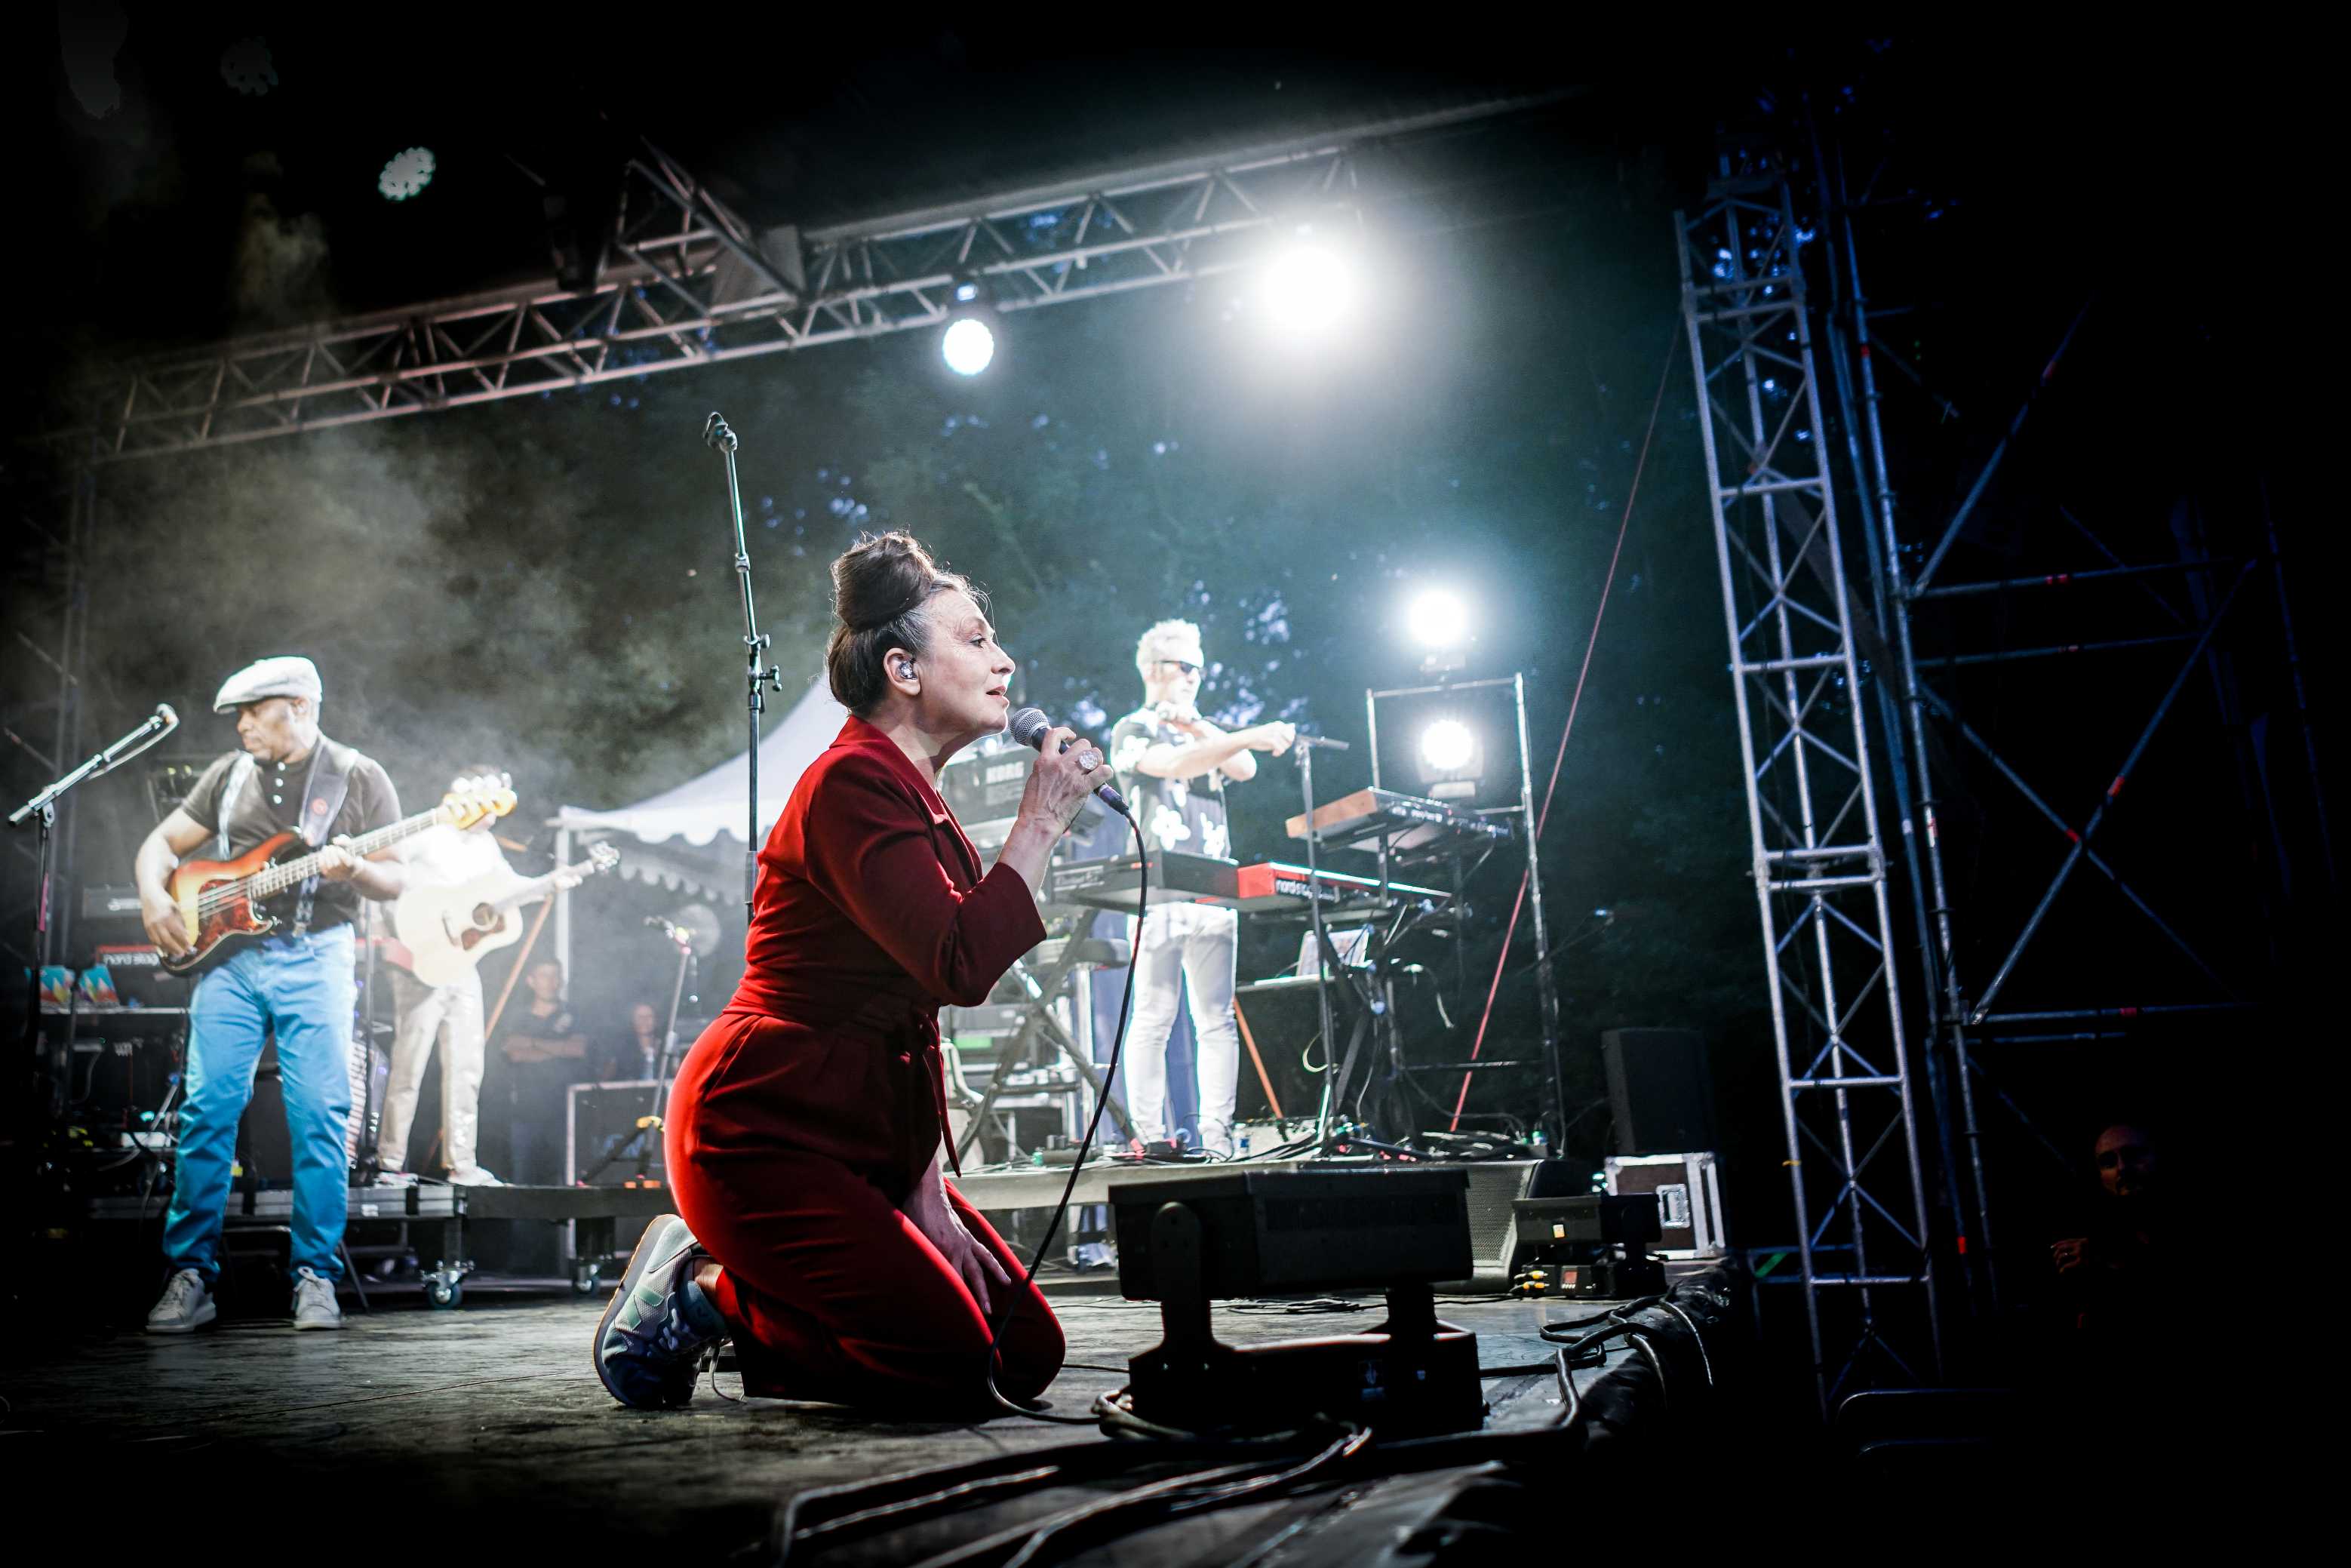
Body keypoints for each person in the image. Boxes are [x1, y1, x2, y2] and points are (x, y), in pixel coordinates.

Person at [594, 531, 1099, 1412]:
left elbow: (917, 1008)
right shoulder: (848, 784)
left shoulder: (913, 795)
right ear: (903, 668)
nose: (1004, 661)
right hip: (761, 1128)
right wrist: (1040, 821)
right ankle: (699, 1290)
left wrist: (923, 1186)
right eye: (976, 639)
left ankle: (768, 1311)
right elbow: (959, 963)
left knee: (1021, 1352)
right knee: (951, 1364)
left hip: (859, 1132)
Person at [135, 656, 406, 1333]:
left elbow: (396, 879)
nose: (243, 726)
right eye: (239, 715)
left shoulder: (356, 774)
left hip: (317, 954)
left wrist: (356, 866)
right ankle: (190, 1275)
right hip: (229, 963)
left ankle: (315, 1276)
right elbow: (161, 844)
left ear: (301, 707)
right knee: (207, 1112)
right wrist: (153, 897)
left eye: (256, 712)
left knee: (319, 1116)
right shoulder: (228, 774)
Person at [1107, 619, 1293, 1157]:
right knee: (1154, 1017)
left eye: (1199, 669)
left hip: (1214, 890)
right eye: (1185, 667)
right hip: (1161, 891)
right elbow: (1172, 764)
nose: (1194, 677)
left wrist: (1204, 727)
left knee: (1216, 1019)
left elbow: (1245, 767)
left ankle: (1217, 1136)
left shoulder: (1203, 730)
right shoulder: (1132, 728)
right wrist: (1246, 733)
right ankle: (1150, 1136)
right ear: (1153, 670)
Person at [373, 764, 519, 1187]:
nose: (494, 811)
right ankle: (388, 1163)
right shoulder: (429, 830)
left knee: (467, 1065)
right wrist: (390, 935)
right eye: (491, 798)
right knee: (410, 1063)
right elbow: (383, 875)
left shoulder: (487, 847)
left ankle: (462, 1164)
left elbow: (510, 887)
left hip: (461, 963)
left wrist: (558, 880)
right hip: (418, 962)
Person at [493, 958, 589, 1185]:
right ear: (531, 981)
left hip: (564, 1112)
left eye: (555, 975)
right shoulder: (517, 1017)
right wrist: (559, 1048)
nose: (551, 982)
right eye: (544, 975)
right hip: (525, 1113)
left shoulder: (574, 1014)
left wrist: (532, 1043)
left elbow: (576, 1049)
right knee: (523, 1181)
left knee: (566, 1180)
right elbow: (514, 1052)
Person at [600, 1001, 665, 1084]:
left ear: (656, 1020)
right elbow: (606, 1079)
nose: (644, 1021)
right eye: (640, 1017)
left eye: (649, 1016)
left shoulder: (665, 1045)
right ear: (633, 1021)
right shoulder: (622, 1048)